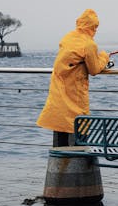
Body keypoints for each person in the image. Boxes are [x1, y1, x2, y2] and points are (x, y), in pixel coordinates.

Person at [37, 9, 110, 146]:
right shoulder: (89, 44)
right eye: (95, 27)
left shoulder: (68, 37)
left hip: (59, 87)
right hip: (76, 91)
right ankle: (80, 162)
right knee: (80, 123)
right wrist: (104, 57)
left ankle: (62, 162)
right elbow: (94, 69)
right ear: (93, 26)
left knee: (61, 122)